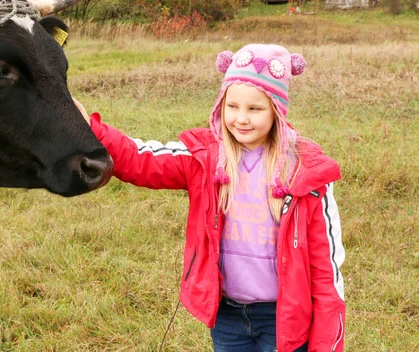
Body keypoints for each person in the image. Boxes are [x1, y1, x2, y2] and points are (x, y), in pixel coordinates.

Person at [73, 44, 345, 352]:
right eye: (233, 106)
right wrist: (92, 130)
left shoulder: (305, 173)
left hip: (283, 318)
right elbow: (141, 160)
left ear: (276, 111)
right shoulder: (206, 159)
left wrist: (326, 344)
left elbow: (327, 273)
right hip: (227, 317)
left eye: (254, 109)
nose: (241, 119)